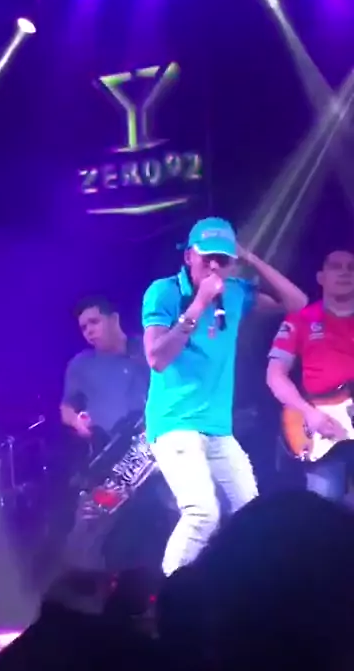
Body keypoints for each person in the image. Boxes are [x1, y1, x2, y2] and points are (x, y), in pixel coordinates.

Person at [142, 216, 308, 576]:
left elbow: (298, 302)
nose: (215, 267)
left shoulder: (235, 292)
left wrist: (251, 259)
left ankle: (243, 587)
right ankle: (169, 593)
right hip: (174, 423)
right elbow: (156, 358)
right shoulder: (165, 292)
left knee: (252, 511)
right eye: (208, 258)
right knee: (202, 512)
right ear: (189, 256)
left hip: (217, 427)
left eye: (223, 259)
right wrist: (199, 304)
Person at [57, 295, 165, 574]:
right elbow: (66, 408)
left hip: (157, 453)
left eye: (94, 322)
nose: (89, 331)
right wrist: (78, 422)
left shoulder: (147, 348)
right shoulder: (81, 364)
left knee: (171, 519)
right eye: (83, 328)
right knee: (87, 532)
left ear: (114, 319)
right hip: (111, 460)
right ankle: (83, 588)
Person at [267, 249, 354, 501]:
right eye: (336, 266)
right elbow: (275, 376)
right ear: (321, 277)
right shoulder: (300, 319)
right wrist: (309, 413)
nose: (345, 273)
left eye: (351, 268)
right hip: (320, 431)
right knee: (324, 509)